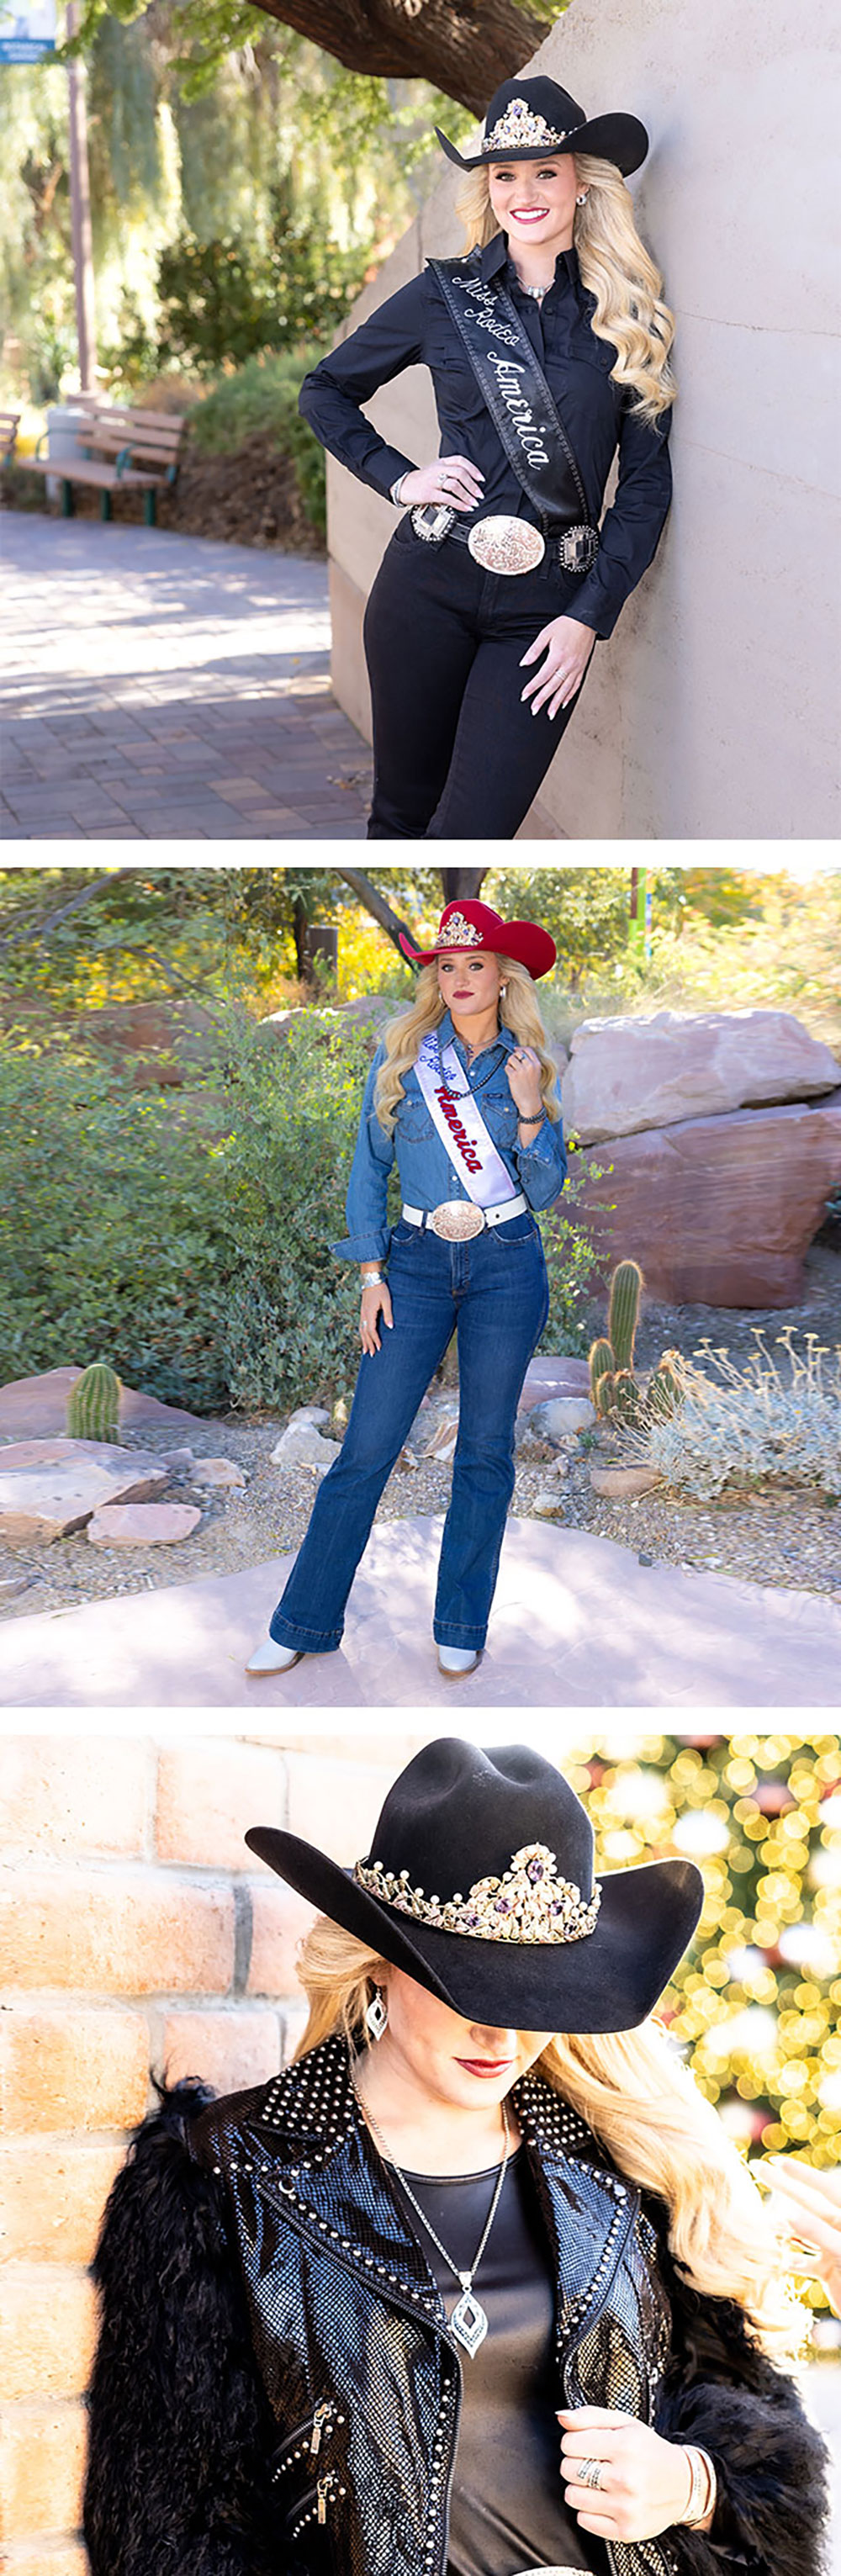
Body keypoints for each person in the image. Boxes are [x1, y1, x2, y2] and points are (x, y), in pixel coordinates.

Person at [83, 1737, 833, 2576]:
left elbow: (770, 2449)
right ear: (382, 1965)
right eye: (466, 1985)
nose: (501, 2035)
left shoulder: (622, 2172)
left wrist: (691, 2482)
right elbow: (168, 2531)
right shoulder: (221, 2181)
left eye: (538, 1993)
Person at [298, 72, 675, 840]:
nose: (524, 192)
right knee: (401, 817)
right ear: (488, 188)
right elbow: (325, 389)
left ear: (582, 185)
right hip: (425, 587)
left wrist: (587, 618)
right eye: (505, 174)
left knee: (475, 827)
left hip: (547, 613)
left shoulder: (627, 317)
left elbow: (644, 488)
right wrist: (401, 479)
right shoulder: (445, 297)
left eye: (545, 172)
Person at [246, 894, 567, 1683]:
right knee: (365, 1451)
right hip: (417, 1263)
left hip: (506, 1261)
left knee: (486, 1451)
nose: (458, 977)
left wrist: (529, 1114)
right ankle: (303, 1621)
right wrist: (370, 1273)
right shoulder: (404, 1059)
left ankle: (462, 1621)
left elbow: (549, 1187)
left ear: (502, 978)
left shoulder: (528, 1065)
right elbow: (369, 1169)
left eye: (475, 964)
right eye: (446, 965)